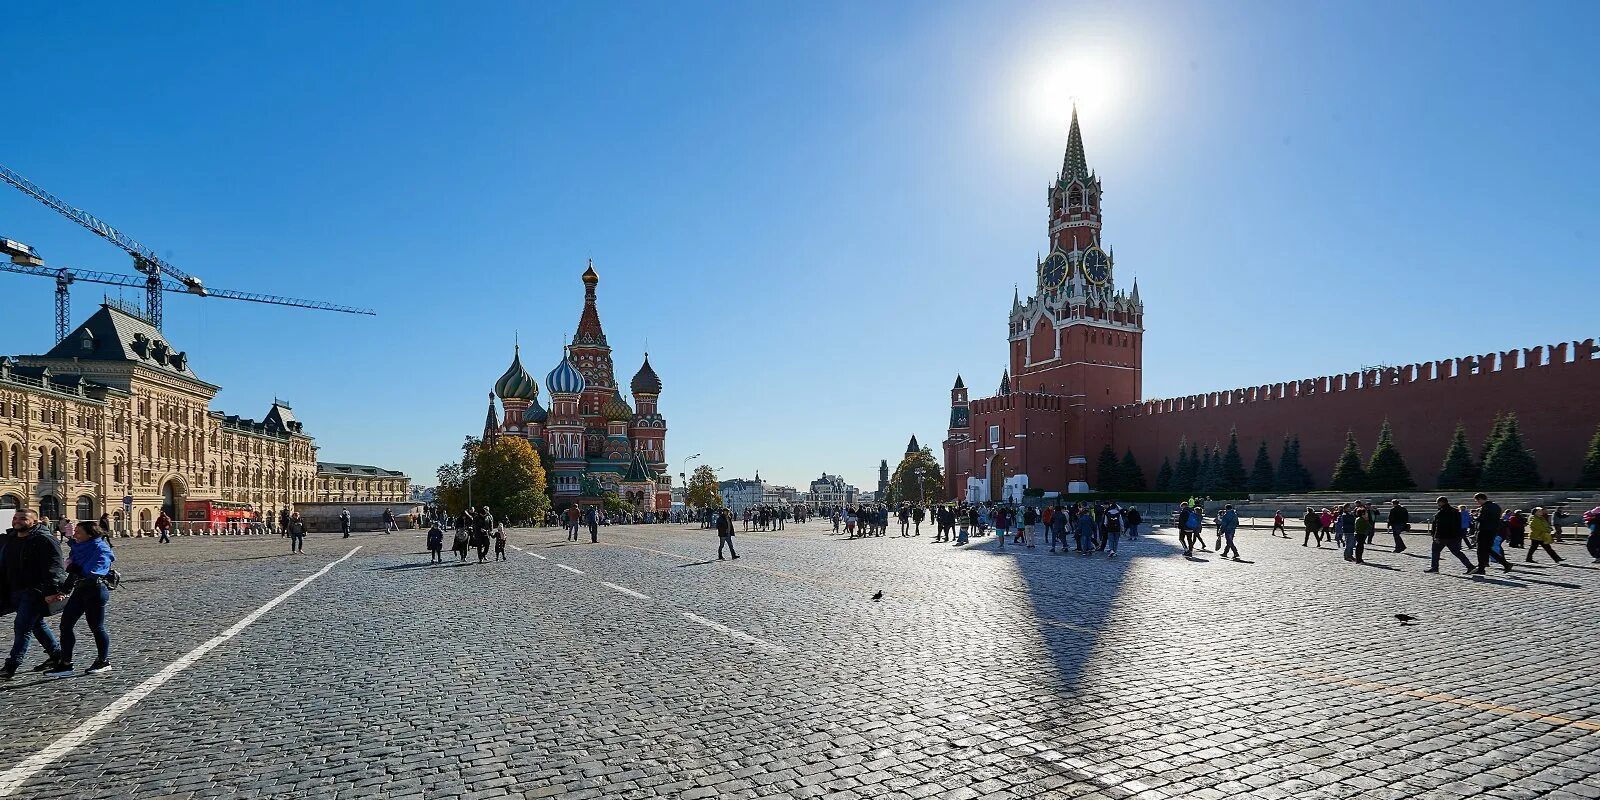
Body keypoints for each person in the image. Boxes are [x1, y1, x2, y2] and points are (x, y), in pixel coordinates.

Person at [1, 508, 68, 680]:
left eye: (23, 518)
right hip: (14, 589)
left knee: (22, 627)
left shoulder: (45, 540)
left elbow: (55, 567)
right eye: (15, 518)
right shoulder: (10, 539)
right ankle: (57, 655)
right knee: (37, 624)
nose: (17, 521)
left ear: (35, 521)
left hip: (35, 591)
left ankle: (10, 666)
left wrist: (53, 590)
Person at [48, 519, 114, 676]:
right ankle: (66, 663)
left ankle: (103, 661)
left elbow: (96, 570)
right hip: (80, 590)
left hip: (95, 591)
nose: (74, 534)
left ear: (90, 534)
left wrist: (78, 569)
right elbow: (73, 572)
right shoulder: (78, 547)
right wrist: (64, 590)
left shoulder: (101, 548)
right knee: (65, 625)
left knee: (96, 627)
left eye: (78, 532)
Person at [1427, 496, 1475, 573]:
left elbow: (1439, 526)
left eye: (1438, 503)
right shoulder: (1456, 511)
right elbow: (1460, 524)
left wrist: (1436, 536)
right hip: (1454, 536)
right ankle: (1470, 566)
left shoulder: (1441, 512)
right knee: (1457, 552)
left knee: (1435, 551)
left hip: (1443, 536)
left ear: (1441, 502)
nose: (1437, 504)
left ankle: (1435, 568)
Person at [1473, 493, 1512, 573]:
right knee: (1487, 549)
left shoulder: (1484, 507)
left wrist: (1474, 517)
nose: (1478, 503)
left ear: (1480, 499)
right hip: (1493, 530)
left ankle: (1481, 569)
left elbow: (1481, 519)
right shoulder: (1496, 506)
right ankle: (1505, 564)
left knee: (1480, 550)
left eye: (1477, 501)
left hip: (1484, 530)